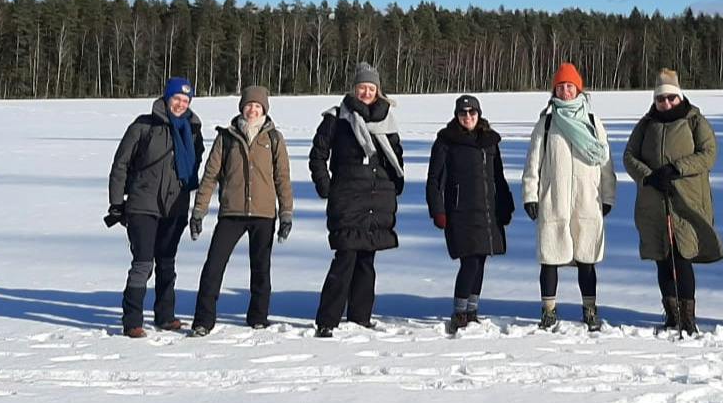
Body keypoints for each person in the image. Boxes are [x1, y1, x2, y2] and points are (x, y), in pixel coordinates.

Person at [623, 68, 723, 337]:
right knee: (662, 258)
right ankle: (672, 314)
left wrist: (676, 169)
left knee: (683, 257)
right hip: (654, 202)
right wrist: (649, 177)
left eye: (670, 98)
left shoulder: (694, 120)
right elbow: (629, 156)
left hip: (686, 201)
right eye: (660, 99)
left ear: (679, 96)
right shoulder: (646, 124)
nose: (665, 103)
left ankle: (688, 318)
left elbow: (709, 154)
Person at [187, 85, 294, 335]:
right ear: (241, 108)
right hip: (231, 213)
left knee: (260, 269)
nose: (253, 110)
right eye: (249, 105)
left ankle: (258, 317)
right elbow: (210, 176)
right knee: (214, 266)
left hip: (264, 214)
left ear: (264, 109)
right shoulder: (226, 137)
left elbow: (283, 178)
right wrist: (199, 212)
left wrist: (286, 212)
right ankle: (203, 320)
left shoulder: (274, 138)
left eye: (257, 106)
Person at [308, 62, 403, 337]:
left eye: (371, 88)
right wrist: (326, 186)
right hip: (347, 199)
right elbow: (318, 155)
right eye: (362, 87)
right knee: (345, 258)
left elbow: (395, 155)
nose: (366, 92)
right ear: (354, 88)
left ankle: (361, 317)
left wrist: (395, 183)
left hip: (376, 198)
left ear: (378, 91)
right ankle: (327, 320)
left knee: (366, 260)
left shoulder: (387, 121)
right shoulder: (337, 118)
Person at [105, 77, 206, 336]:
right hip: (143, 205)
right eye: (177, 99)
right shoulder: (143, 125)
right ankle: (132, 321)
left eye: (186, 100)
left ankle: (165, 316)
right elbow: (120, 165)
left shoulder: (193, 129)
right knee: (142, 263)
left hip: (175, 206)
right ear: (166, 98)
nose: (181, 104)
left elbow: (194, 166)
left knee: (167, 262)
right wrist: (117, 203)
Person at [522, 62, 617, 331]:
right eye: (561, 86)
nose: (565, 91)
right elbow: (533, 162)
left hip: (587, 200)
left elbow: (605, 163)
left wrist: (608, 196)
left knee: (587, 259)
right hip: (554, 201)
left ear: (579, 89)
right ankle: (548, 310)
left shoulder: (592, 121)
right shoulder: (547, 122)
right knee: (550, 257)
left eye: (570, 86)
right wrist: (531, 194)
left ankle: (589, 309)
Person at [426, 94, 515, 333]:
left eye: (472, 113)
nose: (468, 117)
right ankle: (459, 312)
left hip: (487, 211)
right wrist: (438, 210)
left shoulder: (489, 141)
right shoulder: (447, 141)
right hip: (460, 212)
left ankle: (472, 310)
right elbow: (434, 180)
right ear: (457, 115)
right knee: (470, 262)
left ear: (479, 114)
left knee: (481, 260)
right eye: (463, 113)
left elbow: (498, 177)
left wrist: (506, 205)